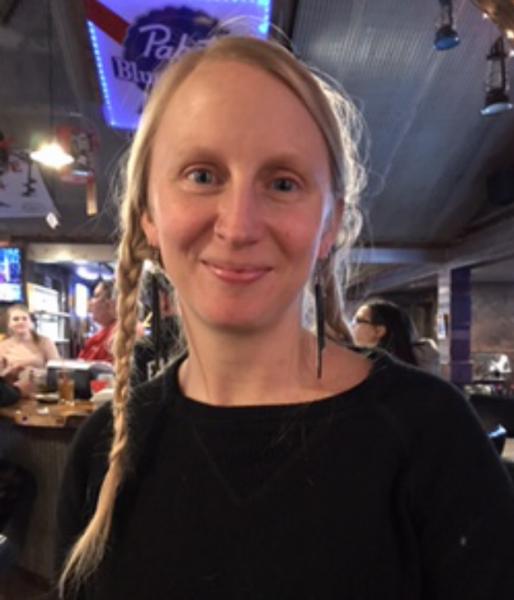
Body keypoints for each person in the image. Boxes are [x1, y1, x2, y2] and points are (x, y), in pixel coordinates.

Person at [56, 36, 514, 599]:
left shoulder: (432, 436)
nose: (238, 226)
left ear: (329, 225)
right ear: (149, 212)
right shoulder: (102, 454)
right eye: (202, 175)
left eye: (282, 183)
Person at [352, 298, 441, 374]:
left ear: (379, 331)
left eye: (358, 321)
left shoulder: (379, 370)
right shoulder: (422, 364)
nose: (352, 326)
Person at [0, 304, 60, 375]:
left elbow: (57, 371)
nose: (20, 322)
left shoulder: (45, 342)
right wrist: (9, 371)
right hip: (12, 382)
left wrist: (35, 373)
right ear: (9, 324)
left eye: (25, 319)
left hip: (40, 382)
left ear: (31, 322)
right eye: (16, 319)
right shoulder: (2, 345)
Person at [78, 281, 117, 363]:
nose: (91, 303)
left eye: (96, 296)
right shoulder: (102, 335)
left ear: (110, 304)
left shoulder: (119, 335)